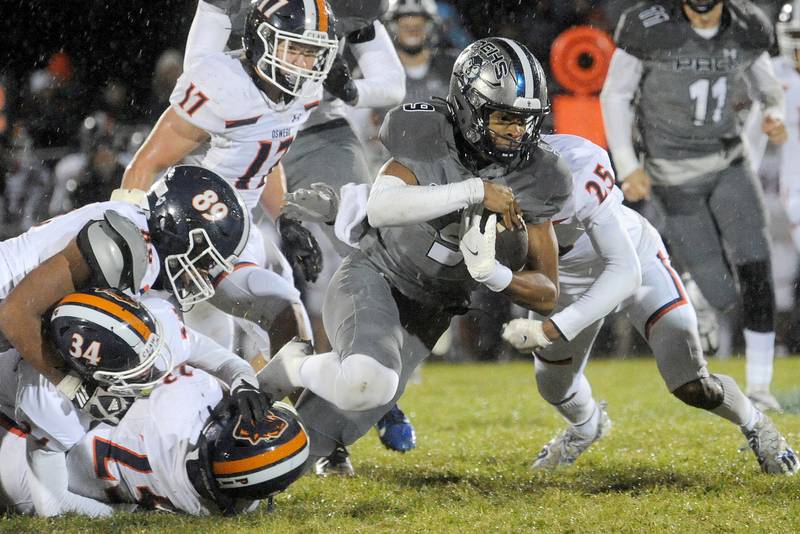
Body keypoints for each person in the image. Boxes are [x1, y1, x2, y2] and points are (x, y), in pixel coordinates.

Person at [260, 37, 573, 470]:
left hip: (433, 308)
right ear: (469, 106)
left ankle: (321, 434)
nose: (517, 132)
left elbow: (546, 292)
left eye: (526, 120)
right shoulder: (425, 133)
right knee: (368, 383)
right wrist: (473, 191)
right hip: (378, 277)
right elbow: (382, 208)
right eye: (504, 117)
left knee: (313, 441)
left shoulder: (539, 175)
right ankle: (293, 366)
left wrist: (490, 272)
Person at [500, 133, 798, 475]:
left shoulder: (577, 162)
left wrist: (552, 328)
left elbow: (623, 271)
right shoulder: (472, 173)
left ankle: (756, 424)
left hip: (634, 263)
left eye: (515, 120)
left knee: (691, 384)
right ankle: (587, 427)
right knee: (554, 387)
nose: (508, 133)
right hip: (562, 284)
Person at [119, 0, 339, 356]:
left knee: (285, 329)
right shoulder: (223, 86)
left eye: (311, 52)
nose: (301, 62)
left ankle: (270, 408)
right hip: (192, 233)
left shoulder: (306, 91)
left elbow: (263, 158)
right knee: (215, 343)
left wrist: (286, 219)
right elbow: (144, 166)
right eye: (293, 48)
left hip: (244, 227)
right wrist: (128, 243)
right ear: (262, 41)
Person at [600, 0, 787, 410]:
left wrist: (773, 112)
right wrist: (628, 165)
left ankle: (759, 385)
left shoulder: (747, 23)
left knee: (757, 264)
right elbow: (615, 94)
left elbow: (768, 88)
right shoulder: (647, 24)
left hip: (728, 161)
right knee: (720, 288)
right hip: (671, 172)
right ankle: (703, 299)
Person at [0, 164, 249, 417]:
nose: (204, 273)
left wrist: (238, 374)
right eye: (202, 259)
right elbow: (14, 314)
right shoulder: (121, 248)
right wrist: (76, 387)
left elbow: (181, 341)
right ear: (175, 227)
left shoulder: (144, 252)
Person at [0, 365, 305, 515]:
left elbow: (195, 349)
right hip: (64, 477)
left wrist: (243, 382)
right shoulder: (224, 503)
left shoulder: (180, 406)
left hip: (46, 446)